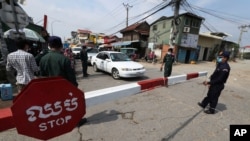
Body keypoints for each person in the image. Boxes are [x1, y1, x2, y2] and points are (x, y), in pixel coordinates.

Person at [39, 36, 87, 126]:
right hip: (64, 89)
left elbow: (42, 76)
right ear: (61, 45)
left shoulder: (43, 59)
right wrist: (75, 87)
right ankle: (76, 121)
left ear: (49, 45)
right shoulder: (64, 59)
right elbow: (71, 76)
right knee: (69, 106)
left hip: (50, 89)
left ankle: (60, 122)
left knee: (55, 106)